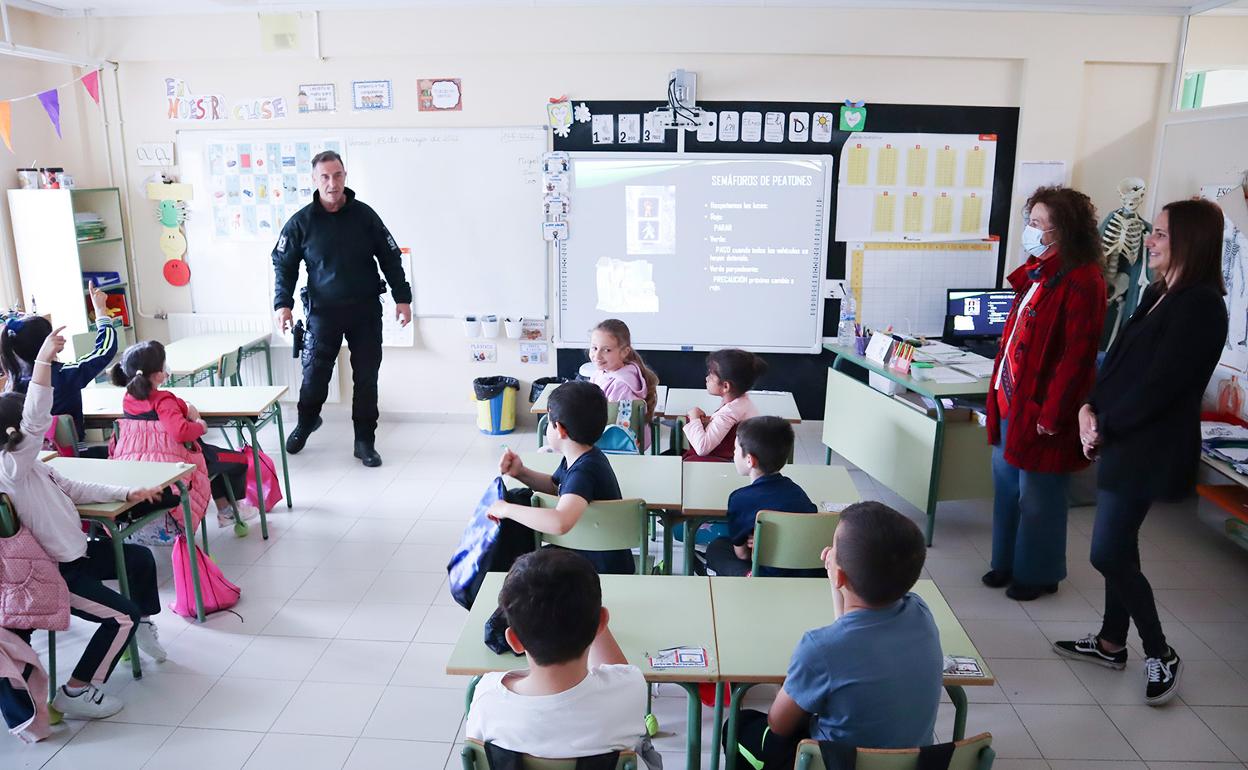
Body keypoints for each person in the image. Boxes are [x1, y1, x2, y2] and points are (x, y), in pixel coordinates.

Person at [1056, 198, 1229, 706]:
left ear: (1189, 243)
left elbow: (1159, 388)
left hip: (1149, 447)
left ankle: (1160, 651)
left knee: (1106, 550)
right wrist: (1088, 407)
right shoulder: (1156, 292)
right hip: (1120, 436)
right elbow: (1119, 365)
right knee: (1120, 547)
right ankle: (1112, 642)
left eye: (1159, 234)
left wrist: (1101, 425)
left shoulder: (1200, 306)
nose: (1149, 242)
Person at [0, 326, 170, 719]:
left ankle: (140, 626)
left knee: (139, 559)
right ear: (14, 437)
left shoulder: (33, 468)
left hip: (77, 555)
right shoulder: (11, 468)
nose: (39, 438)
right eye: (29, 436)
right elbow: (37, 416)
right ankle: (77, 691)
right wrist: (43, 361)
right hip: (54, 574)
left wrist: (125, 494)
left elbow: (72, 486)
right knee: (120, 615)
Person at [726, 501, 942, 769]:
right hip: (910, 762)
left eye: (835, 548)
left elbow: (778, 724)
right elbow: (853, 632)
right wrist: (836, 584)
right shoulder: (921, 611)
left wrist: (791, 688)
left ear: (839, 574)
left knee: (738, 726)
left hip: (835, 762)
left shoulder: (819, 648)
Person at [984, 186, 1107, 601]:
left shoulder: (1083, 280)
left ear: (1063, 231)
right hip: (1009, 401)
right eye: (1030, 222)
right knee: (1006, 489)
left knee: (1039, 497)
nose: (1030, 231)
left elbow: (1077, 355)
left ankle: (1038, 574)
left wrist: (1053, 413)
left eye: (1038, 224)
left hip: (1043, 409)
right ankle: (1005, 563)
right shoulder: (1038, 270)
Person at [272, 150, 413, 468]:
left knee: (366, 378)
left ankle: (364, 441)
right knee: (314, 377)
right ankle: (307, 422)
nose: (332, 183)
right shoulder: (301, 223)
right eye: (325, 176)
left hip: (365, 311)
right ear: (314, 180)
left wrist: (402, 298)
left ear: (345, 176)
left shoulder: (365, 216)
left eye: (337, 175)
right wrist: (283, 305)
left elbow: (390, 257)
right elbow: (284, 265)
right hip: (324, 313)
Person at [465, 549, 648, 762]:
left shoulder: (486, 696)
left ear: (513, 640)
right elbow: (620, 672)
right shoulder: (630, 687)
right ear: (602, 622)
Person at [108, 341, 259, 533]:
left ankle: (225, 509)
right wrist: (199, 426)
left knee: (214, 460)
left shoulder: (129, 398)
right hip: (177, 463)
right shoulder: (163, 400)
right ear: (157, 374)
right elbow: (180, 431)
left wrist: (183, 407)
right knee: (236, 460)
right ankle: (230, 510)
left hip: (142, 464)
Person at [492, 381, 631, 574]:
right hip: (586, 554)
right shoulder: (581, 456)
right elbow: (555, 486)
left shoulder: (584, 471)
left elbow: (560, 522)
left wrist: (506, 509)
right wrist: (521, 472)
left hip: (597, 566)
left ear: (559, 429)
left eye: (548, 422)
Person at [1, 283, 120, 456]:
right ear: (48, 344)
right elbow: (104, 351)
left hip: (36, 458)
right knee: (121, 451)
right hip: (74, 456)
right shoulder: (64, 374)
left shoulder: (12, 385)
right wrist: (101, 311)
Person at [703, 416, 818, 577]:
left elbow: (742, 554)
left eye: (735, 449)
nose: (733, 453)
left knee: (717, 548)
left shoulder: (739, 499)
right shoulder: (798, 493)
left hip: (766, 572)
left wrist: (760, 545)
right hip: (802, 570)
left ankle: (749, 576)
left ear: (750, 460)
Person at [682, 348, 766, 462]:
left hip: (725, 464)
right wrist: (709, 422)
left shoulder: (730, 412)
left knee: (686, 461)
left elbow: (702, 448)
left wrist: (694, 418)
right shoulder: (742, 401)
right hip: (733, 458)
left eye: (711, 376)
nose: (707, 378)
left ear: (726, 386)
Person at [588, 319, 659, 449]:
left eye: (607, 350)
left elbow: (619, 430)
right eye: (594, 348)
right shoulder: (600, 373)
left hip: (616, 446)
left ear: (624, 352)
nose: (597, 355)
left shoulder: (622, 386)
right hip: (604, 440)